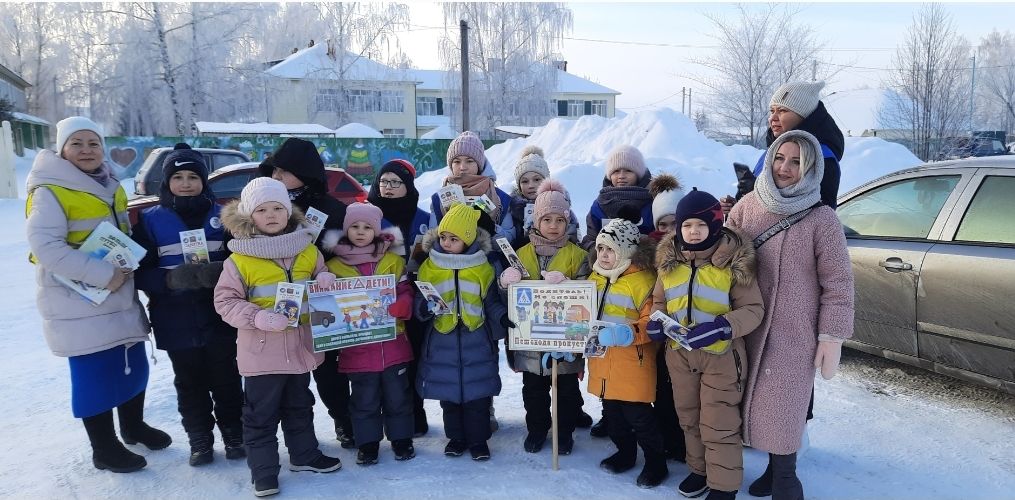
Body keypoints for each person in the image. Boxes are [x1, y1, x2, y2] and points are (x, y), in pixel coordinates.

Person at [26, 116, 170, 474]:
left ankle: (133, 428)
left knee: (131, 366)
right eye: (77, 143)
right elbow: (44, 247)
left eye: (93, 143)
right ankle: (104, 448)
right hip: (78, 298)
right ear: (62, 149)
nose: (87, 150)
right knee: (95, 375)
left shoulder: (110, 185)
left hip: (117, 292)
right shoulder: (48, 190)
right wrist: (104, 275)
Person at [726, 130, 855, 500]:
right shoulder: (747, 206)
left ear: (811, 168)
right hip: (746, 322)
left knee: (783, 403)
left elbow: (838, 282)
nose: (785, 167)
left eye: (796, 161)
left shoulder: (822, 218)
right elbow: (722, 259)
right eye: (780, 158)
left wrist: (831, 336)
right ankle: (769, 467)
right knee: (745, 395)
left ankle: (785, 476)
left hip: (794, 329)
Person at [214, 177, 343, 497]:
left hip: (300, 348)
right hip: (262, 353)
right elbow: (225, 302)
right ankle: (264, 471)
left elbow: (319, 276)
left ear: (289, 212)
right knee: (260, 415)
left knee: (300, 404)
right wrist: (257, 316)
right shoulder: (239, 259)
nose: (271, 215)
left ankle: (304, 455)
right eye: (262, 209)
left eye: (277, 208)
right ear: (249, 216)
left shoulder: (308, 251)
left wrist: (326, 276)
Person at [649, 188, 765, 500]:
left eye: (701, 225)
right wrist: (656, 323)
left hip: (721, 357)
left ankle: (724, 485)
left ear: (716, 225)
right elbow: (659, 302)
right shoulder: (670, 262)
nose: (694, 231)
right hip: (681, 355)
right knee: (688, 417)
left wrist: (720, 327)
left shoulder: (733, 263)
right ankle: (699, 470)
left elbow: (753, 311)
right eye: (687, 225)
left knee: (718, 422)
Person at [133, 144, 244, 467]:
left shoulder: (223, 216)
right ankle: (200, 440)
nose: (185, 183)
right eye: (177, 177)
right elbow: (138, 271)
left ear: (203, 181)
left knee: (226, 378)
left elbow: (244, 261)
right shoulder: (150, 220)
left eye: (192, 176)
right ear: (166, 182)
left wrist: (222, 273)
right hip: (175, 316)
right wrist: (168, 281)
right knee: (189, 383)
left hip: (220, 314)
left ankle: (234, 435)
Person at [258, 137, 353, 448]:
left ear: (305, 172)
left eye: (284, 172)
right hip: (275, 307)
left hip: (321, 305)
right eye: (274, 171)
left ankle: (344, 420)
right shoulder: (262, 208)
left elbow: (348, 253)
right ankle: (298, 439)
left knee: (329, 371)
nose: (276, 178)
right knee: (287, 377)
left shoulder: (332, 210)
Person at [497, 179, 590, 455]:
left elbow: (588, 292)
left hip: (565, 343)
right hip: (531, 344)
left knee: (566, 392)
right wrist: (505, 282)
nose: (553, 225)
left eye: (559, 220)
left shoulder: (577, 255)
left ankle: (563, 433)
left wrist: (570, 285)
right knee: (534, 392)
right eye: (546, 219)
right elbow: (508, 300)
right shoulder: (520, 255)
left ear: (567, 222)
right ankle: (537, 429)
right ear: (536, 221)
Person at [322, 201, 417, 465]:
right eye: (355, 226)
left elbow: (406, 289)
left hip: (393, 345)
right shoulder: (334, 266)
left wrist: (404, 304)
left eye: (367, 227)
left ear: (376, 230)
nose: (361, 231)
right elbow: (326, 303)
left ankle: (401, 439)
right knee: (364, 400)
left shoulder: (391, 260)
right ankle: (368, 444)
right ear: (345, 229)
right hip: (357, 348)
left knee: (398, 396)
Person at [414, 203, 511, 461]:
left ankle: (479, 441)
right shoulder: (429, 266)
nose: (446, 242)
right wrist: (424, 307)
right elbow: (419, 301)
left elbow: (490, 302)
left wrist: (504, 317)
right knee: (450, 399)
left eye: (454, 238)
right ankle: (456, 438)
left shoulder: (483, 268)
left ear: (467, 240)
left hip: (475, 339)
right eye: (443, 236)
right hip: (442, 340)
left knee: (477, 398)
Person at [586, 216, 667, 488]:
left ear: (627, 250)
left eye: (610, 249)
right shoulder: (594, 277)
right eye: (600, 248)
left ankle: (657, 463)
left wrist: (629, 333)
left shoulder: (644, 280)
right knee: (613, 416)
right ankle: (625, 453)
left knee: (640, 418)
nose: (604, 255)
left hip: (634, 362)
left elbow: (653, 321)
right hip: (603, 362)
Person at [366, 158, 431, 437]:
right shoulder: (365, 218)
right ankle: (378, 420)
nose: (388, 188)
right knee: (380, 365)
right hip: (376, 303)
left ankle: (415, 416)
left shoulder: (424, 219)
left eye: (396, 182)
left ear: (408, 187)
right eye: (384, 182)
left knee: (413, 360)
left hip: (414, 301)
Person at [723, 80, 845, 212]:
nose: (772, 118)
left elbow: (820, 219)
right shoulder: (772, 151)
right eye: (772, 111)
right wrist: (737, 205)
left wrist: (756, 198)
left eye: (782, 111)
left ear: (805, 116)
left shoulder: (821, 158)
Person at [644, 172, 687, 462]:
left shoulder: (695, 248)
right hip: (656, 331)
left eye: (675, 222)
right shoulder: (646, 250)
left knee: (683, 393)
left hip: (685, 331)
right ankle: (666, 437)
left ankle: (684, 443)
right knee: (660, 388)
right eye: (663, 223)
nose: (669, 229)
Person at [428, 131, 515, 245]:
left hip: (487, 262)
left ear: (479, 164)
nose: (462, 167)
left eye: (469, 161)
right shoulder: (439, 199)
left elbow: (510, 240)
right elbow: (432, 241)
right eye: (457, 161)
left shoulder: (500, 199)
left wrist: (491, 228)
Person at [580, 144, 655, 252]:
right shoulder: (600, 204)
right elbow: (591, 238)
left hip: (644, 264)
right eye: (616, 171)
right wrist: (596, 252)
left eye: (628, 170)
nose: (621, 176)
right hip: (605, 264)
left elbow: (660, 237)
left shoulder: (651, 203)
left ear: (638, 174)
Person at [506, 146, 580, 248]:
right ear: (519, 186)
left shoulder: (561, 205)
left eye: (536, 179)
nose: (531, 185)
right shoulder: (511, 210)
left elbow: (575, 237)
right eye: (525, 181)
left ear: (546, 180)